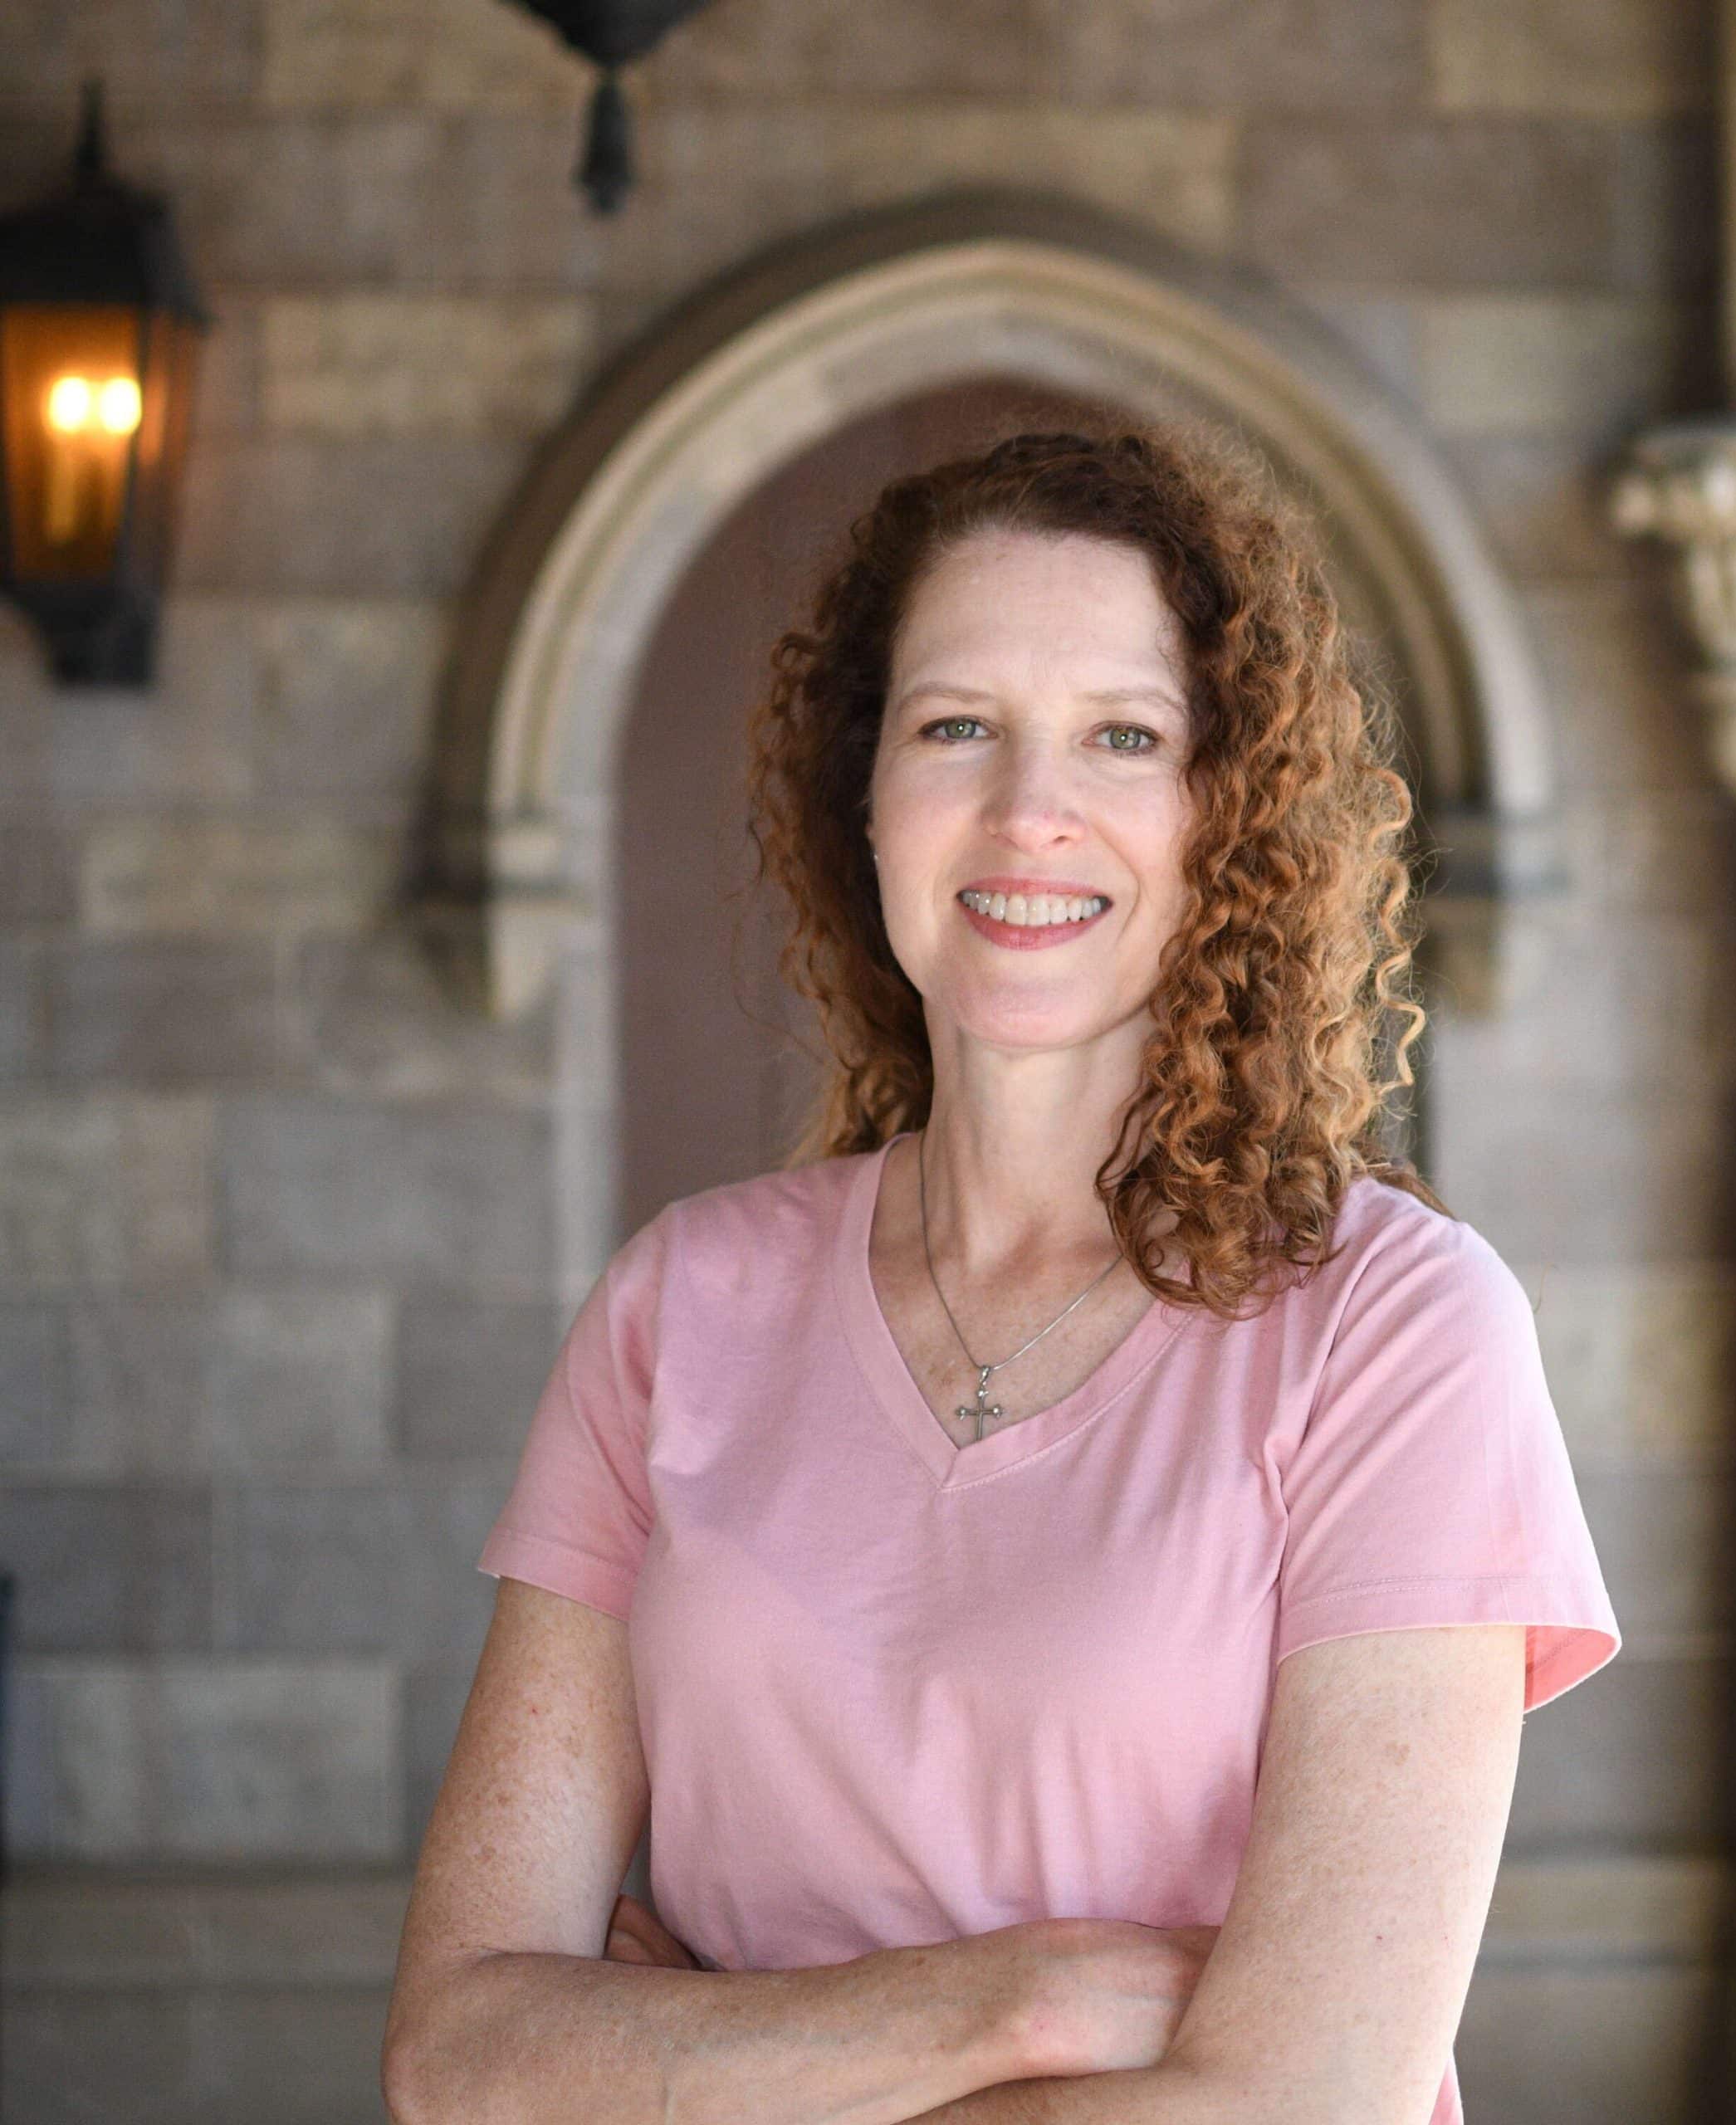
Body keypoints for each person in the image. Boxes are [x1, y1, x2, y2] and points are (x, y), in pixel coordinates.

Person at [382, 422, 1621, 2125]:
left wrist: (699, 2066)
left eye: (1124, 736)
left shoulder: (1396, 1330)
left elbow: (1296, 2100)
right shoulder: (680, 1308)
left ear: (1226, 813)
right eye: (955, 725)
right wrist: (1020, 1998)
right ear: (868, 796)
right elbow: (460, 2054)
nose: (1029, 811)